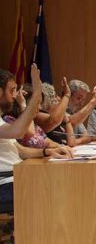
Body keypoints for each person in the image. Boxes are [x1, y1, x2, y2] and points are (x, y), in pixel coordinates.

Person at [0, 65, 73, 208]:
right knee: (59, 185)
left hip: (16, 176)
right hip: (5, 182)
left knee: (67, 178)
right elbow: (19, 132)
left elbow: (19, 150)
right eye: (12, 90)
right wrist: (36, 93)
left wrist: (46, 152)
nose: (15, 95)